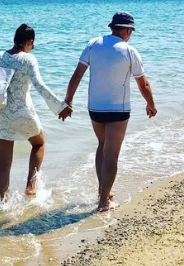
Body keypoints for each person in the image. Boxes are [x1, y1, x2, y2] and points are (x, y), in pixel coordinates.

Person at [64, 12, 157, 212]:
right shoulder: (129, 51)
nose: (130, 34)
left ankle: (103, 191)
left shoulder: (93, 44)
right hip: (118, 110)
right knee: (112, 154)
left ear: (112, 27)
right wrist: (151, 104)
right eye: (131, 31)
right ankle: (104, 202)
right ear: (127, 30)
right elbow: (143, 84)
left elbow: (77, 75)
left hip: (95, 108)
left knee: (102, 145)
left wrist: (68, 100)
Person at [0, 24, 72, 201]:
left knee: (3, 163)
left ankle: (5, 202)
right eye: (33, 44)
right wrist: (61, 106)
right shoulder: (28, 59)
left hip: (0, 113)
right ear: (29, 42)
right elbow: (39, 85)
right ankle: (30, 187)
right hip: (22, 113)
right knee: (39, 144)